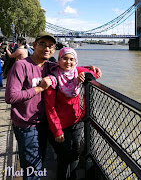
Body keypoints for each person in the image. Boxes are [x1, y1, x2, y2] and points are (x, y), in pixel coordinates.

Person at [5, 32, 102, 179]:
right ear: (34, 45)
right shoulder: (21, 66)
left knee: (41, 161)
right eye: (42, 44)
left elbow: (70, 66)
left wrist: (91, 69)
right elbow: (11, 97)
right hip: (27, 125)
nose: (47, 48)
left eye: (50, 46)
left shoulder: (51, 66)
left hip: (45, 123)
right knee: (32, 168)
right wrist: (39, 88)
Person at [44, 47, 100, 180]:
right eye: (64, 58)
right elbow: (49, 108)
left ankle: (73, 176)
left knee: (75, 154)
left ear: (76, 61)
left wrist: (89, 70)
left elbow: (94, 74)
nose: (68, 62)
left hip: (77, 122)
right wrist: (57, 131)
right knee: (64, 157)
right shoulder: (53, 79)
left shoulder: (76, 72)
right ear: (59, 60)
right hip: (61, 126)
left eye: (72, 59)